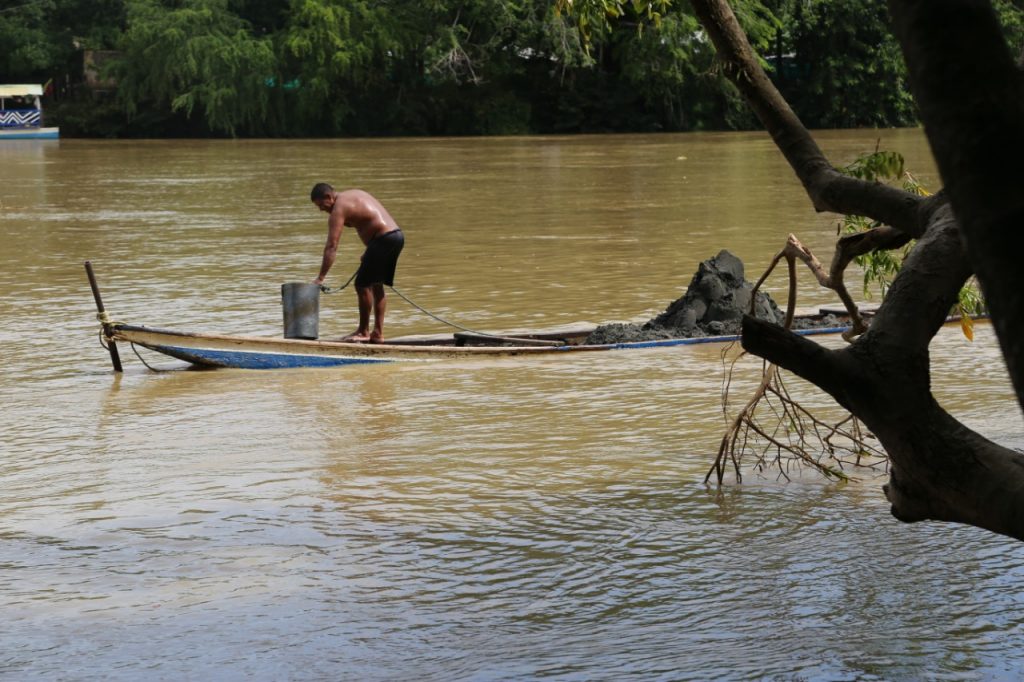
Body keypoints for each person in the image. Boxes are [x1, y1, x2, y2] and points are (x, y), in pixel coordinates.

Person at [310, 183, 405, 343]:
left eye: (321, 205)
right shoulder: (350, 195)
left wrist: (320, 278)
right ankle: (377, 334)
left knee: (362, 285)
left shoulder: (339, 208)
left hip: (383, 239)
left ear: (329, 197)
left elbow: (332, 246)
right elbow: (371, 220)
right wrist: (370, 252)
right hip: (395, 237)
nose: (321, 209)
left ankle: (364, 332)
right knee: (376, 284)